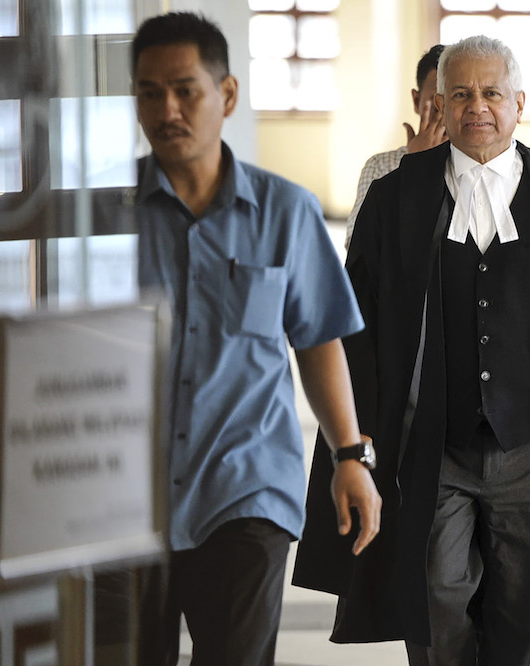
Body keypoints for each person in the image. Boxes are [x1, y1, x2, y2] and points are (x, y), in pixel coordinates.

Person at [293, 35, 530, 665]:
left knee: (521, 607)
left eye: (491, 93)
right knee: (434, 595)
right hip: (434, 443)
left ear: (520, 103)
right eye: (460, 94)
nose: (476, 106)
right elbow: (357, 329)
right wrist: (354, 440)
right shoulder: (396, 198)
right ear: (439, 105)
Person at [131, 12, 381, 665]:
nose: (168, 109)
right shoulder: (110, 220)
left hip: (244, 488)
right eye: (150, 93)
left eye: (186, 89)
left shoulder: (286, 211)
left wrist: (350, 456)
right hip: (126, 497)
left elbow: (318, 336)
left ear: (227, 96)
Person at [343, 44, 447, 249]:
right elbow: (358, 245)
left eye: (456, 97)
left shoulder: (478, 164)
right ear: (417, 101)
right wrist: (416, 167)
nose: (445, 111)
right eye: (435, 100)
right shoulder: (381, 166)